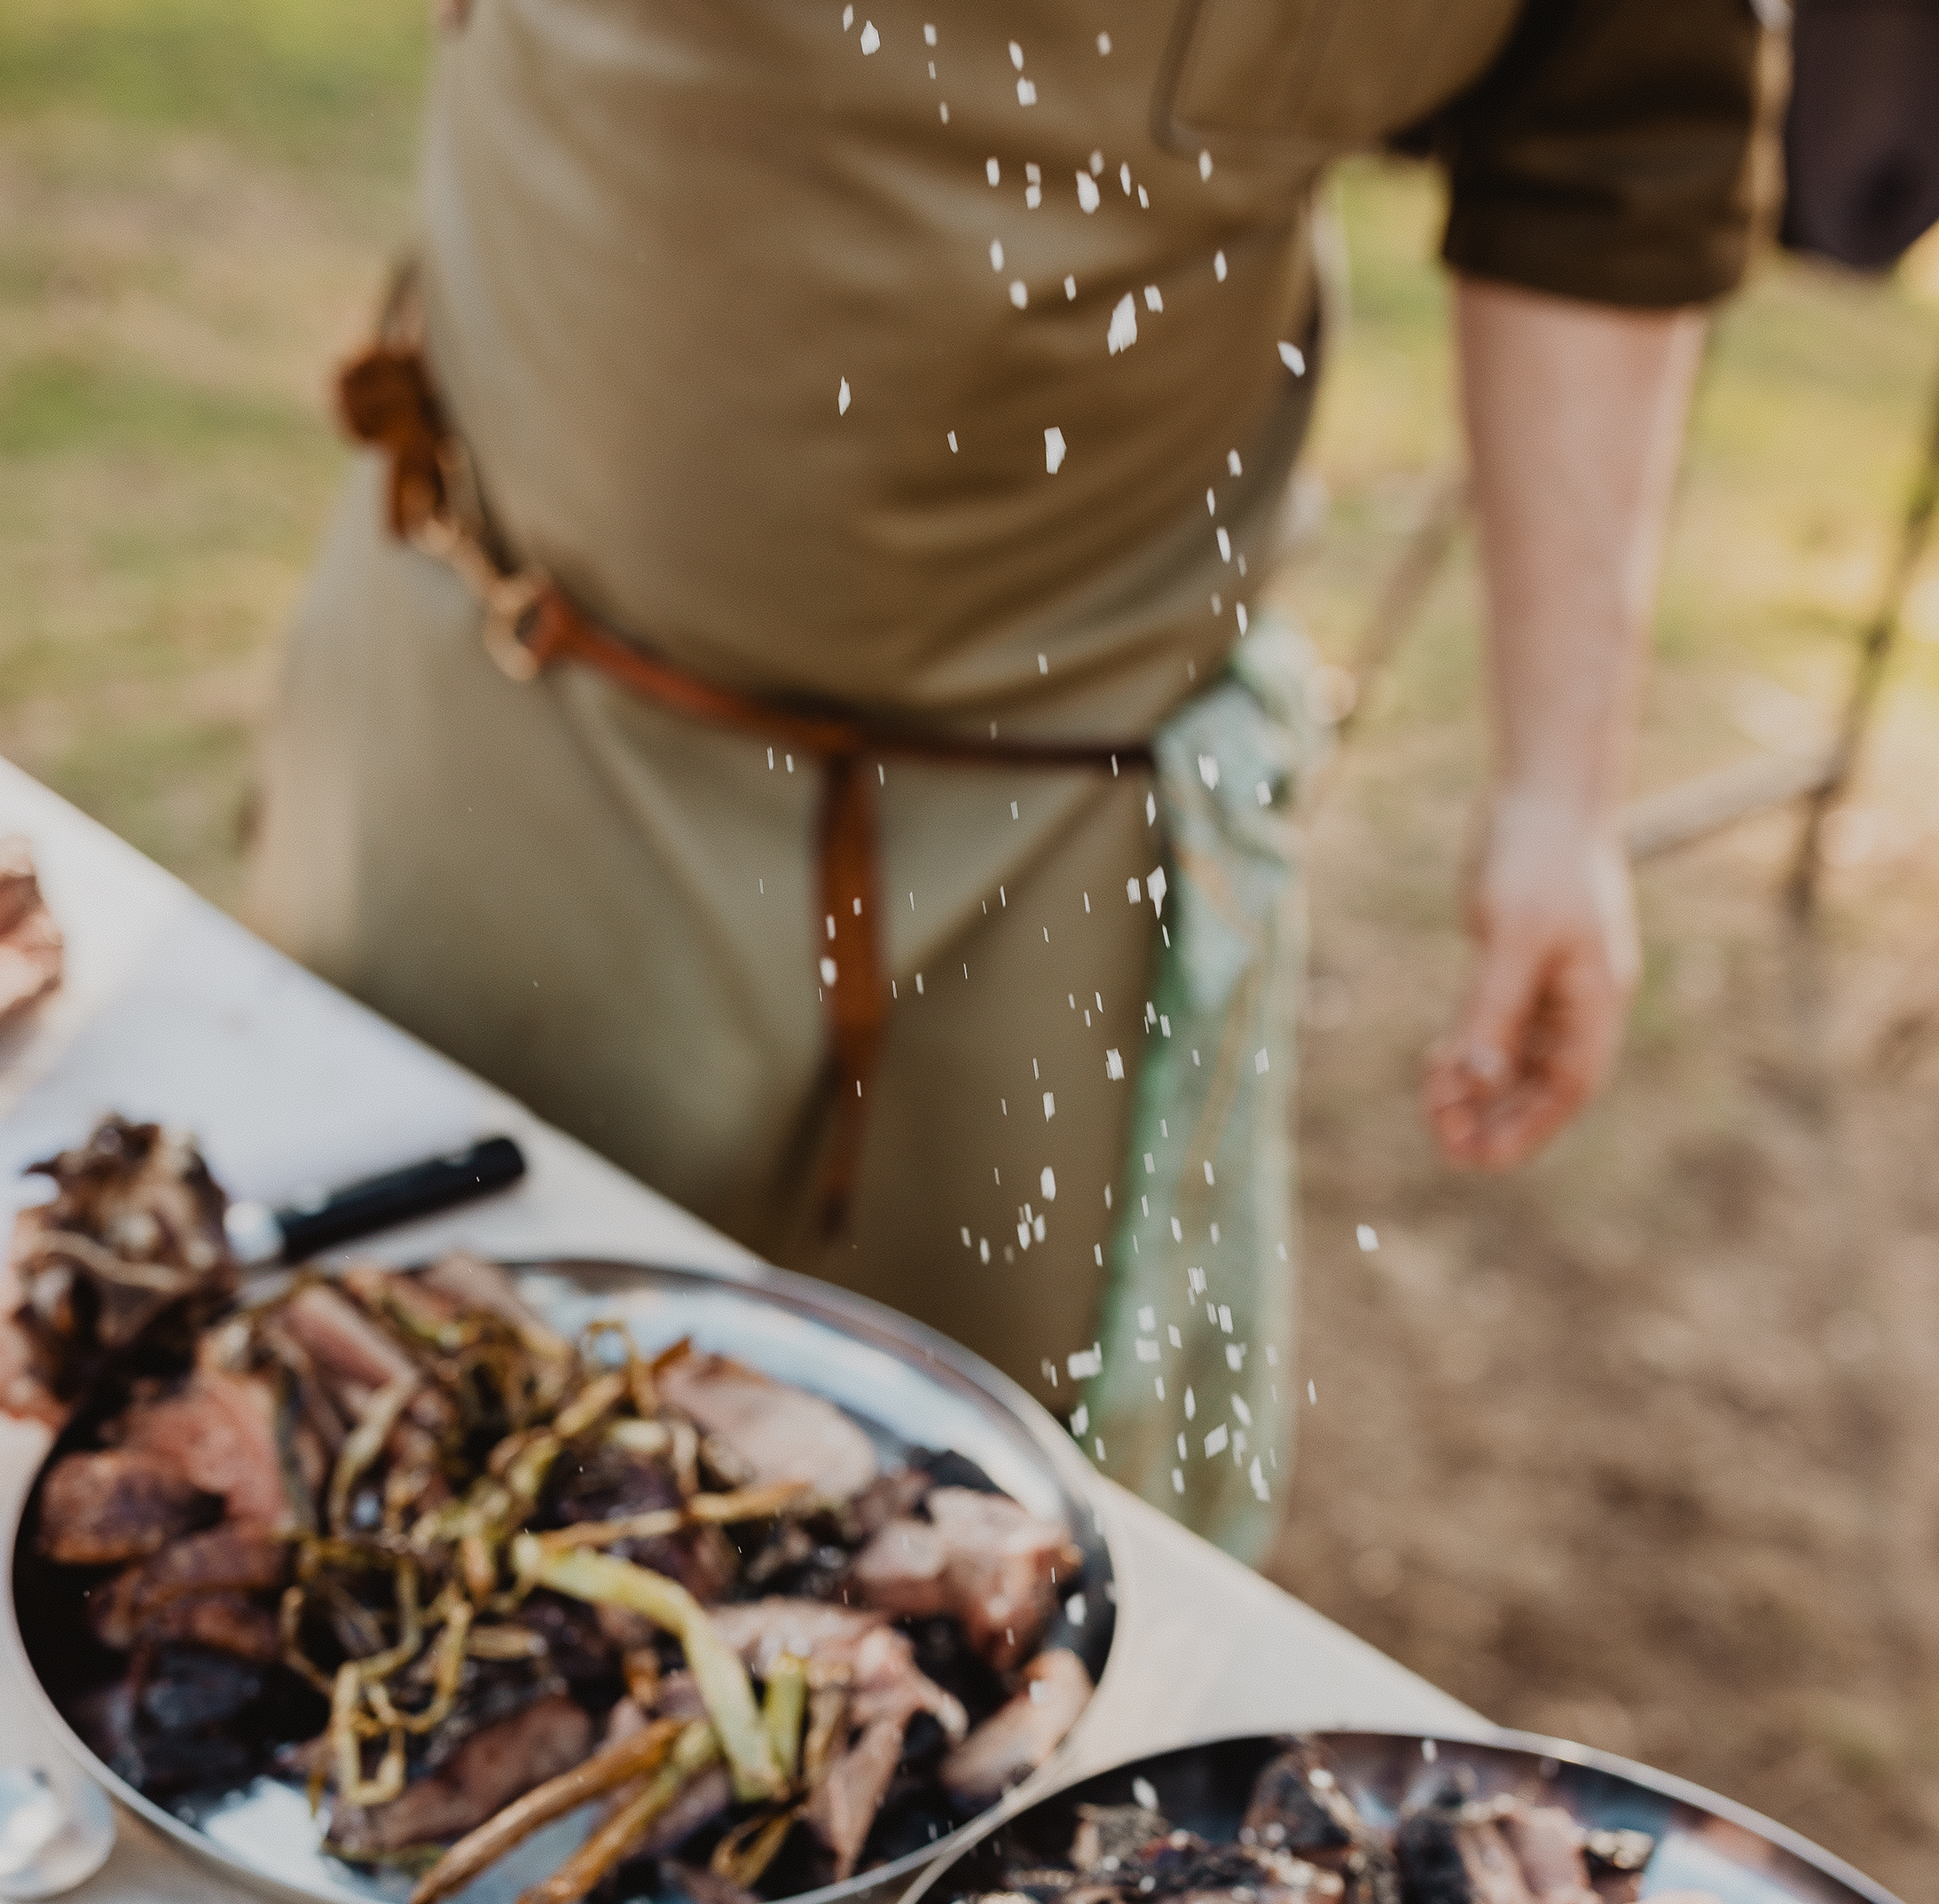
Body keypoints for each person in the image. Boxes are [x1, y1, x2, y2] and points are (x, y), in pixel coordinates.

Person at [253, 0, 1785, 1551]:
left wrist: (1558, 792)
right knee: (332, 1478)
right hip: (496, 712)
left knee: (968, 1571)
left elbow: (1606, 161)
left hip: (1047, 846)